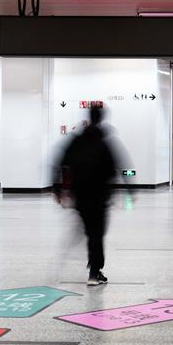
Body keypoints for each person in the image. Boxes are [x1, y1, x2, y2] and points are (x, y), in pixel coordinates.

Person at [54, 105, 118, 286]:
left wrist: (57, 188)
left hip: (80, 196)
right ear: (102, 118)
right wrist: (128, 190)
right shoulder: (104, 141)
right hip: (100, 197)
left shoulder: (76, 140)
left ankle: (94, 268)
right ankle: (94, 271)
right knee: (96, 234)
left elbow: (60, 162)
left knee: (91, 232)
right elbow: (116, 167)